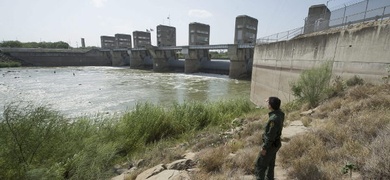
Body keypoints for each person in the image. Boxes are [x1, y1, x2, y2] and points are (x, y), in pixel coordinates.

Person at [255, 97, 285, 180]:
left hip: (270, 145)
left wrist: (264, 148)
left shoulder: (273, 119)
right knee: (270, 165)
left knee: (260, 165)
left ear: (271, 106)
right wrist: (271, 99)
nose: (267, 104)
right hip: (276, 144)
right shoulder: (280, 114)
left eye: (268, 103)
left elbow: (270, 136)